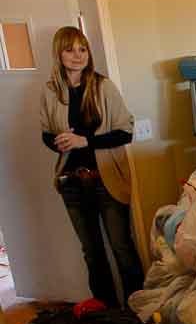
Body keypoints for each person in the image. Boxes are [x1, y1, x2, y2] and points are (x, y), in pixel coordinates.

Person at [40, 27, 143, 307]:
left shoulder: (102, 86)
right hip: (71, 184)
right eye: (70, 49)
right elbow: (46, 134)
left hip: (105, 181)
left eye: (82, 49)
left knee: (122, 250)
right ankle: (106, 318)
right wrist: (59, 143)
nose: (77, 55)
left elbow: (125, 132)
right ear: (58, 54)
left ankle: (140, 315)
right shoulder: (51, 91)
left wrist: (83, 141)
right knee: (92, 254)